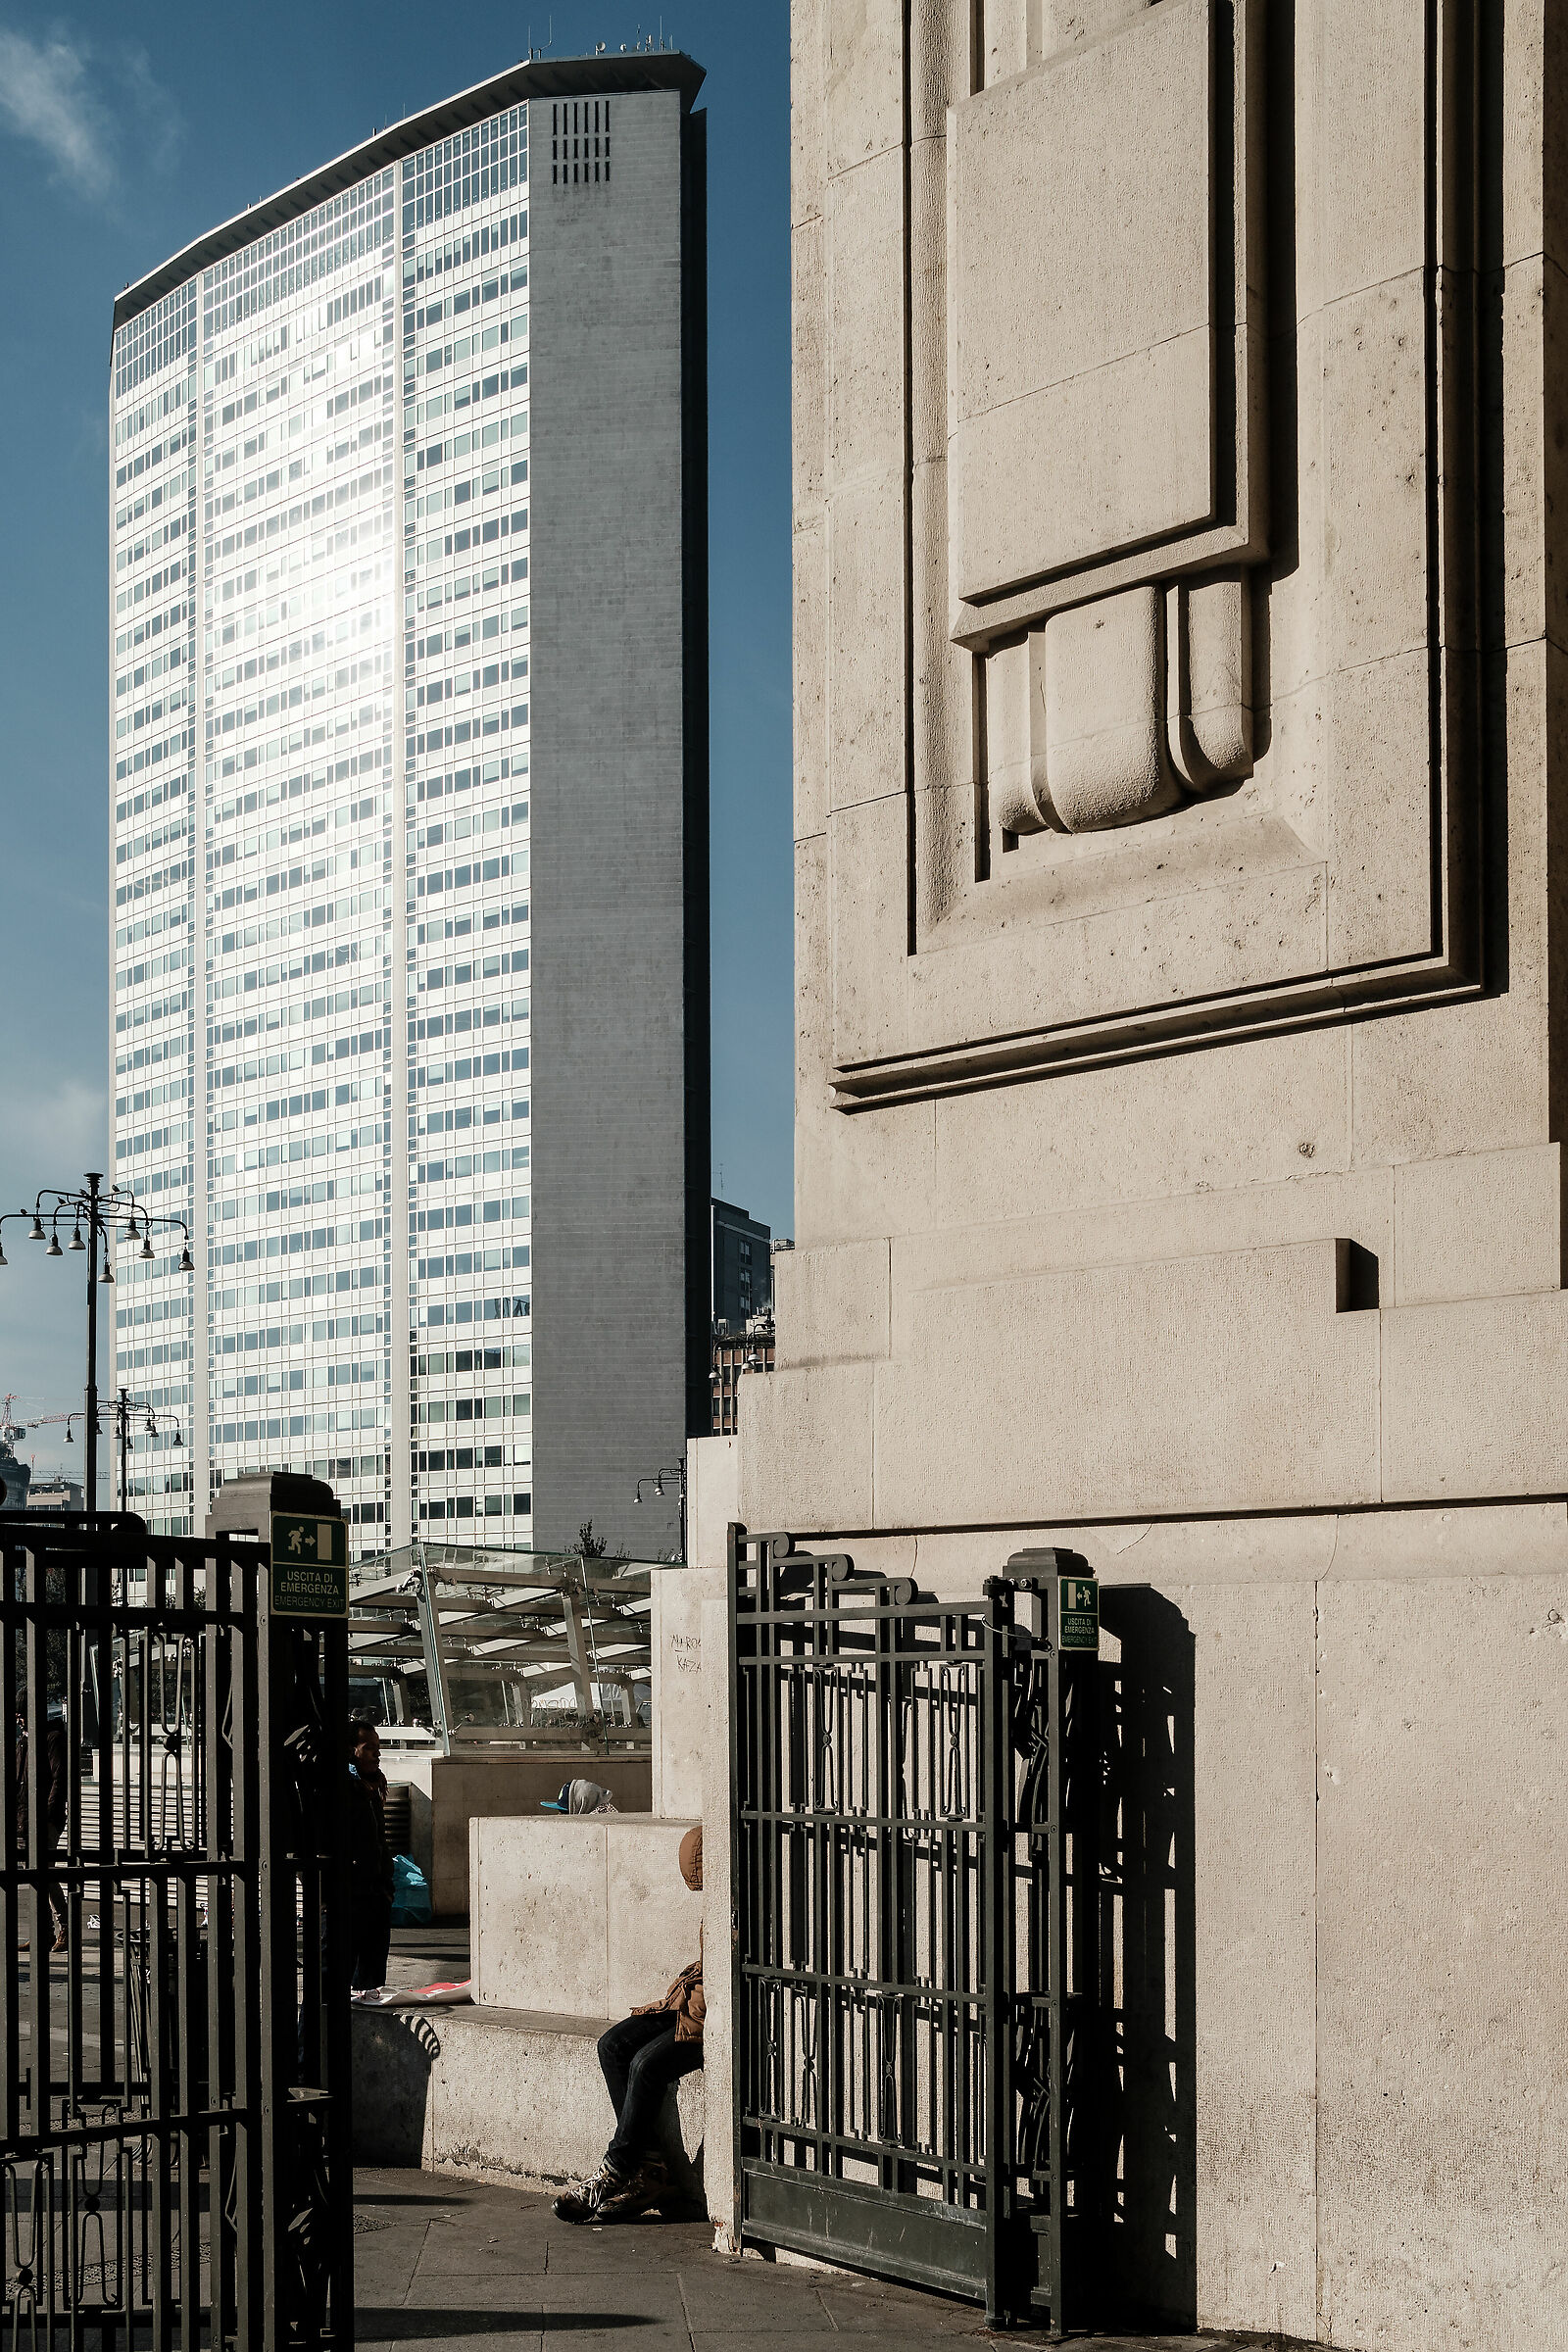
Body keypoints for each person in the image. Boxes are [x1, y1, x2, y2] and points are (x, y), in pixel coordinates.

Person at [554, 1825, 705, 2224]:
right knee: (613, 2045)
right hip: (689, 2005)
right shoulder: (719, 1898)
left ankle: (617, 2169)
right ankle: (649, 2169)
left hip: (709, 2020)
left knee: (646, 2064)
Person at [13, 1708, 71, 1954]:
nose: (18, 1718)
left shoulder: (52, 1737)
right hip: (24, 1817)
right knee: (37, 1875)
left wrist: (46, 1813)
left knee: (45, 1874)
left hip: (43, 1818)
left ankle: (64, 1928)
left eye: (22, 1712)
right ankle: (45, 1932)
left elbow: (60, 1778)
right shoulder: (25, 1740)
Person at [347, 1724, 394, 1991]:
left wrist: (386, 1889)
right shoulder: (343, 1788)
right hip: (347, 1898)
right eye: (370, 1749)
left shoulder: (371, 1787)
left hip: (375, 1895)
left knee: (372, 1985)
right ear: (352, 1751)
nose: (377, 1755)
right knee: (330, 1985)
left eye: (378, 1748)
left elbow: (379, 1842)